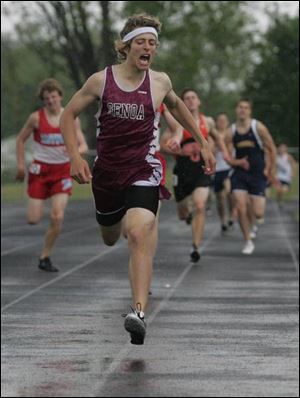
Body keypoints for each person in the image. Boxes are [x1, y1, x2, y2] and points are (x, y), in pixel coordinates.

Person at [60, 14, 215, 345]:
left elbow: (177, 107)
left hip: (144, 167)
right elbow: (67, 114)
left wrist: (202, 142)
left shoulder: (159, 82)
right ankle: (125, 235)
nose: (149, 48)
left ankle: (139, 312)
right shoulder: (100, 81)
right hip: (107, 173)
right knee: (110, 236)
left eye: (153, 44)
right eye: (143, 42)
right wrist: (74, 156)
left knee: (138, 231)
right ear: (126, 46)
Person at [16, 78, 88, 272]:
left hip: (62, 171)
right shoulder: (36, 118)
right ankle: (39, 197)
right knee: (33, 219)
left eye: (53, 97)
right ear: (43, 100)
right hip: (40, 170)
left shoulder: (71, 117)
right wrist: (21, 166)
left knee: (57, 216)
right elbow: (20, 140)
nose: (51, 101)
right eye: (47, 98)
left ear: (60, 97)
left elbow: (83, 145)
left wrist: (75, 153)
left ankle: (45, 256)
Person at [161, 88, 228, 263]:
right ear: (182, 102)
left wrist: (224, 153)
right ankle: (186, 215)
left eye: (193, 98)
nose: (190, 101)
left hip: (201, 170)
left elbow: (217, 138)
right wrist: (179, 150)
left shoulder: (208, 121)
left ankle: (195, 247)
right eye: (186, 98)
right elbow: (162, 145)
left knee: (199, 205)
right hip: (182, 172)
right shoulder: (176, 122)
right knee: (183, 213)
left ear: (198, 101)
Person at [224, 98, 277, 255]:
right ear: (236, 110)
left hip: (258, 174)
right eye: (240, 107)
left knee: (258, 211)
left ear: (250, 111)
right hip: (239, 173)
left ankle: (253, 222)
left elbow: (272, 148)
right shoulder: (230, 131)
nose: (242, 110)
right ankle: (248, 241)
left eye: (246, 108)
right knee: (240, 206)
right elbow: (226, 156)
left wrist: (270, 169)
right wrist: (236, 162)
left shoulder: (258, 127)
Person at [213, 112, 236, 233]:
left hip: (229, 168)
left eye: (224, 120)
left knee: (229, 193)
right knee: (220, 199)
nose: (222, 122)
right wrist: (217, 145)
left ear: (227, 122)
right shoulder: (213, 135)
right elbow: (209, 151)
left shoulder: (231, 135)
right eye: (220, 120)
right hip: (217, 170)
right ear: (216, 122)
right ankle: (223, 220)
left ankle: (232, 214)